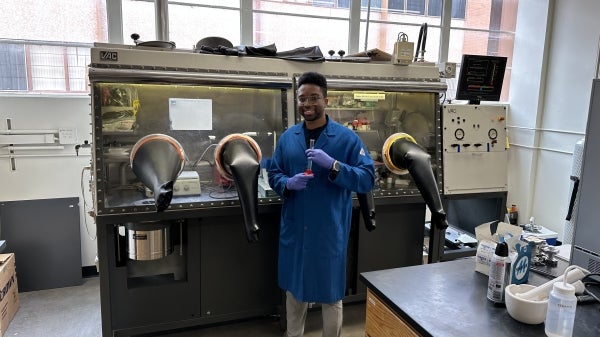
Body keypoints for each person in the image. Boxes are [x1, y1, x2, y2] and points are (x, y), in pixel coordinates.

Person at [268, 71, 375, 337]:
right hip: (295, 229)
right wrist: (286, 183)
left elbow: (367, 178)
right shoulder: (288, 138)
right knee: (294, 292)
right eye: (302, 99)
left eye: (314, 98)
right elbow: (273, 173)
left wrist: (336, 166)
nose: (307, 104)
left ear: (326, 100)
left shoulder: (346, 139)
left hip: (328, 230)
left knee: (330, 295)